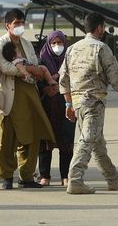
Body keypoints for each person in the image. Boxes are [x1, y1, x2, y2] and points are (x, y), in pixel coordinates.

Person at [60, 12, 118, 194]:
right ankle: (75, 179)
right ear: (100, 28)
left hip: (78, 104)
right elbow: (115, 78)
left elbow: (63, 79)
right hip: (94, 103)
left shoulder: (72, 49)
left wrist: (69, 104)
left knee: (97, 142)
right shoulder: (101, 48)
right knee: (87, 140)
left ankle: (112, 177)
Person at [0, 9, 55, 189]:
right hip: (11, 97)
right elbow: (4, 67)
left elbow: (35, 63)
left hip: (30, 96)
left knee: (32, 136)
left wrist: (31, 69)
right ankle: (6, 176)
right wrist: (26, 69)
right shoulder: (0, 45)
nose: (20, 27)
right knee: (8, 139)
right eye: (16, 23)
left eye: (21, 23)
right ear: (7, 25)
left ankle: (27, 175)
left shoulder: (26, 44)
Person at [36, 31, 75, 187]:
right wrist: (46, 89)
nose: (56, 46)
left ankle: (65, 176)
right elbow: (36, 81)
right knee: (45, 141)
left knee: (66, 141)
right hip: (47, 105)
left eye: (60, 43)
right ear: (48, 44)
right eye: (53, 43)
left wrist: (61, 89)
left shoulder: (70, 60)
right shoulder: (41, 60)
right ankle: (44, 175)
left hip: (66, 104)